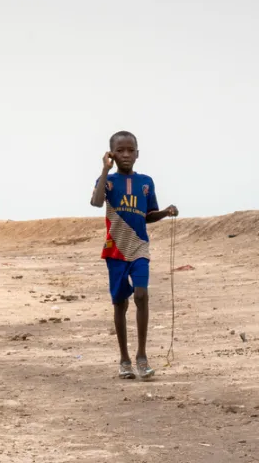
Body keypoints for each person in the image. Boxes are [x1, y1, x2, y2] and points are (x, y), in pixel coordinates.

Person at [89, 131, 178, 381]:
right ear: (112, 154)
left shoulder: (146, 182)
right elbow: (96, 203)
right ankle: (124, 359)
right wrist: (105, 170)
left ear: (137, 154)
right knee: (120, 304)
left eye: (130, 150)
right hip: (115, 248)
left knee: (141, 295)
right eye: (120, 151)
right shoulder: (107, 181)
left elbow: (148, 215)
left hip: (139, 246)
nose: (125, 155)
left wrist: (165, 212)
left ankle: (142, 356)